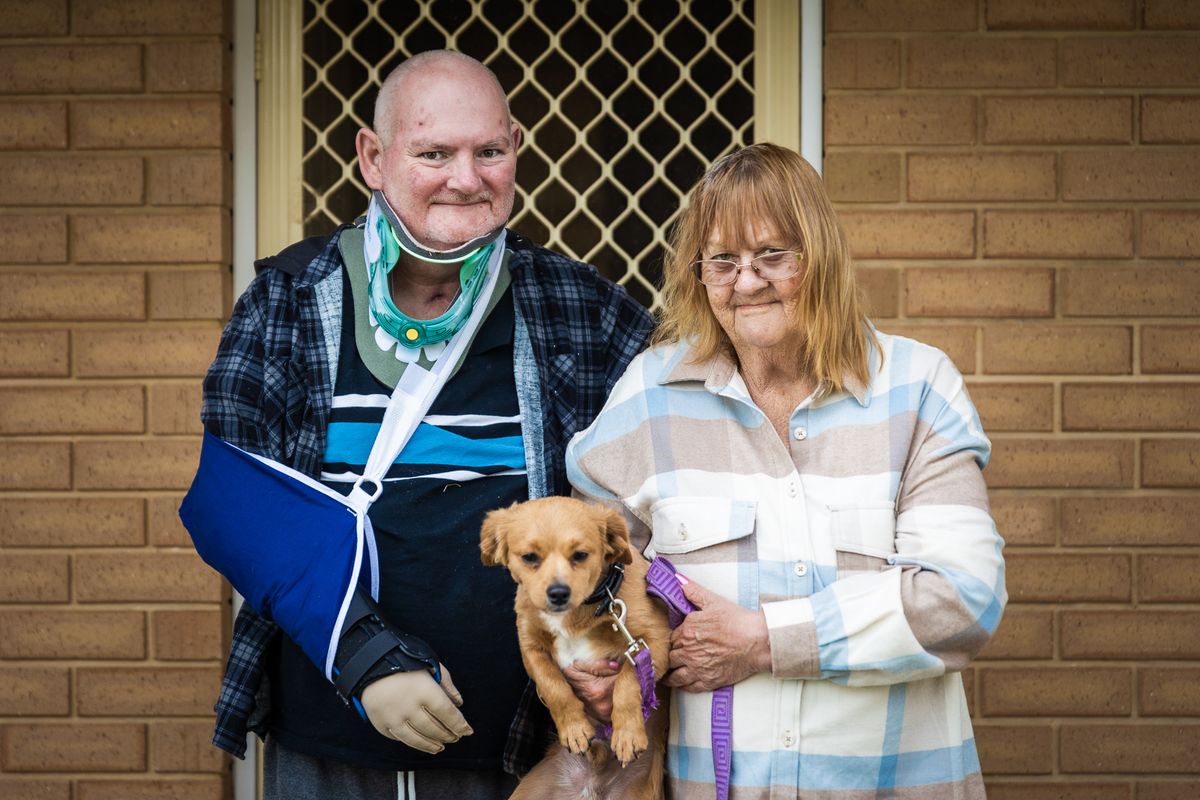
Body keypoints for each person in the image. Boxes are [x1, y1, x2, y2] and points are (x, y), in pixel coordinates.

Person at [199, 50, 654, 799]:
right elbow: (237, 507)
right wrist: (363, 656)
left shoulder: (583, 308)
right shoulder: (286, 299)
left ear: (517, 150)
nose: (466, 178)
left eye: (489, 152)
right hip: (327, 745)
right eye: (434, 152)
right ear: (373, 159)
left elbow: (682, 459)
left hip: (525, 751)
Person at [565, 143, 1006, 799]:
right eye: (723, 261)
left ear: (819, 257)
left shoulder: (916, 388)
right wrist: (605, 660)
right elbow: (587, 570)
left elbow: (963, 600)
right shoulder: (651, 396)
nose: (746, 282)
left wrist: (765, 639)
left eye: (773, 255)